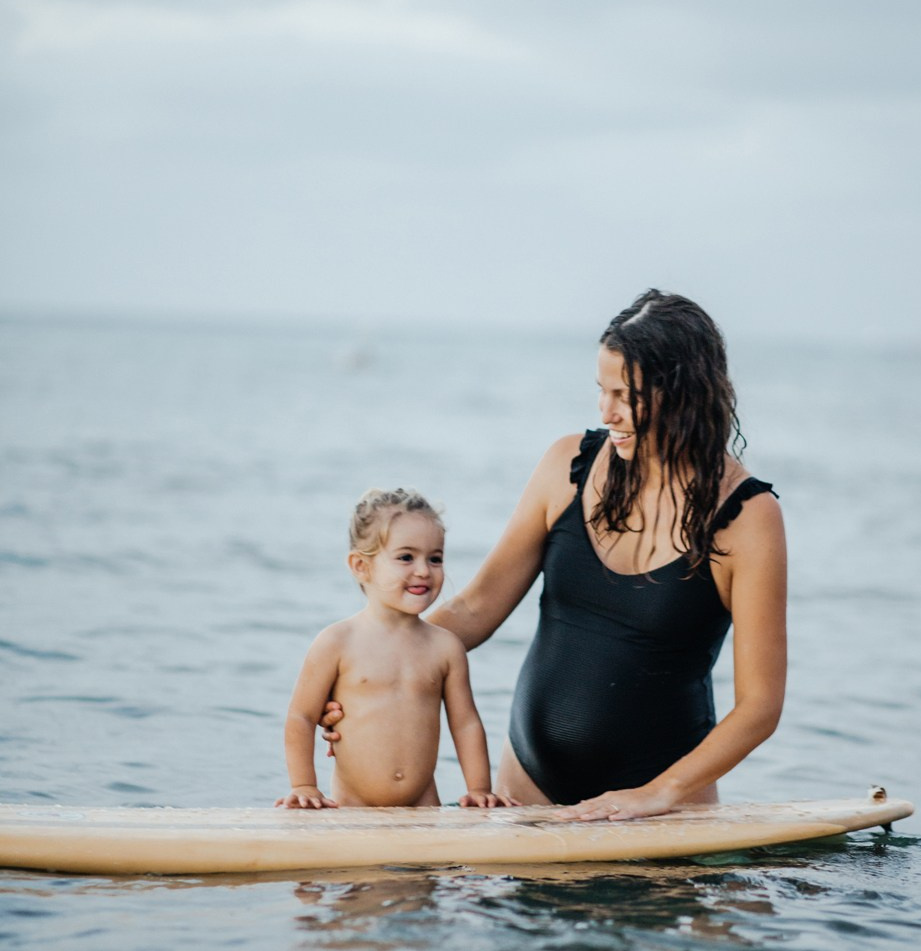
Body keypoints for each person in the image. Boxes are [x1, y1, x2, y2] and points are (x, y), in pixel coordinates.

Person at [322, 292, 786, 820]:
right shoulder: (569, 464)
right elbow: (476, 608)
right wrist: (366, 672)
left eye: (624, 395)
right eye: (601, 391)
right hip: (529, 783)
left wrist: (659, 792)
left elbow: (759, 706)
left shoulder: (747, 516)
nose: (606, 412)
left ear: (682, 394)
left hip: (664, 807)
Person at [277, 488, 499, 810]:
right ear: (360, 566)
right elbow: (301, 716)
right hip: (351, 806)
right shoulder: (337, 641)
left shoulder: (445, 647)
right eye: (406, 557)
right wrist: (304, 785)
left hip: (424, 805)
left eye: (434, 558)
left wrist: (479, 788)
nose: (424, 570)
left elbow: (465, 723)